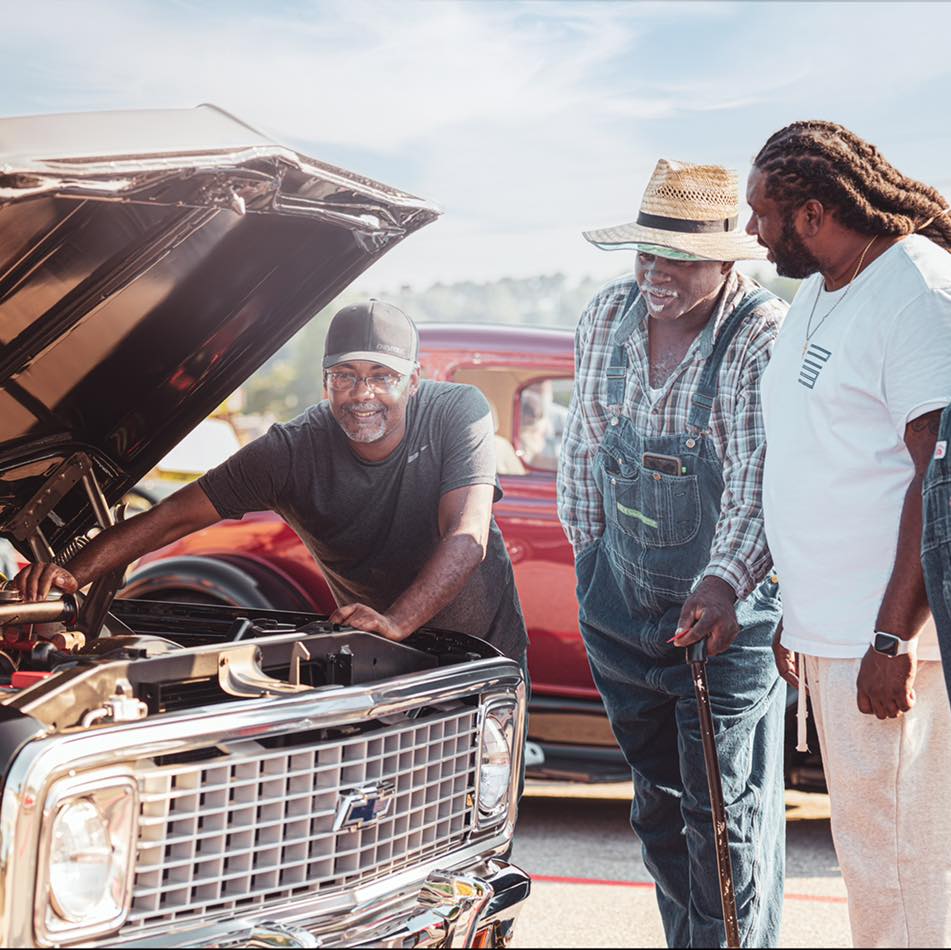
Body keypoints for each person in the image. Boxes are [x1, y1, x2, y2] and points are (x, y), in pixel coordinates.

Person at [14, 300, 528, 665]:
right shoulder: (291, 450)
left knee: (481, 809)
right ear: (324, 381)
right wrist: (70, 575)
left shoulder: (458, 413)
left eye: (381, 376)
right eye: (345, 375)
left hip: (482, 651)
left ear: (414, 382)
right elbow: (173, 516)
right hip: (381, 655)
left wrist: (396, 620)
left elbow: (466, 534)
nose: (361, 393)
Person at [557, 159, 788, 948]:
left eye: (678, 258)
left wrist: (723, 580)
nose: (656, 273)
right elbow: (582, 447)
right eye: (645, 253)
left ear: (725, 260)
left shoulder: (757, 332)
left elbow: (760, 476)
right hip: (620, 610)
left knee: (721, 820)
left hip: (722, 621)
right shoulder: (605, 315)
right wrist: (591, 563)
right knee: (655, 808)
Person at [748, 120, 951, 949]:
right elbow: (817, 454)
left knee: (905, 865)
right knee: (872, 858)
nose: (752, 230)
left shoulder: (916, 290)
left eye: (763, 213)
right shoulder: (827, 288)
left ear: (813, 212)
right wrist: (801, 617)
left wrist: (886, 636)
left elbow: (936, 478)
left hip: (895, 641)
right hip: (834, 632)